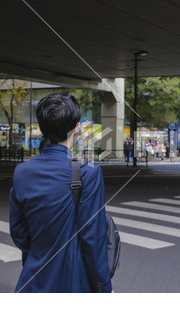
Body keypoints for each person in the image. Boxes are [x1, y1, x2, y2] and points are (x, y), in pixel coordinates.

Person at [9, 92, 112, 293]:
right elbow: (92, 239)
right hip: (73, 282)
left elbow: (19, 231)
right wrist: (104, 287)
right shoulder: (88, 173)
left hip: (33, 280)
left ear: (41, 128)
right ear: (76, 128)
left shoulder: (22, 172)